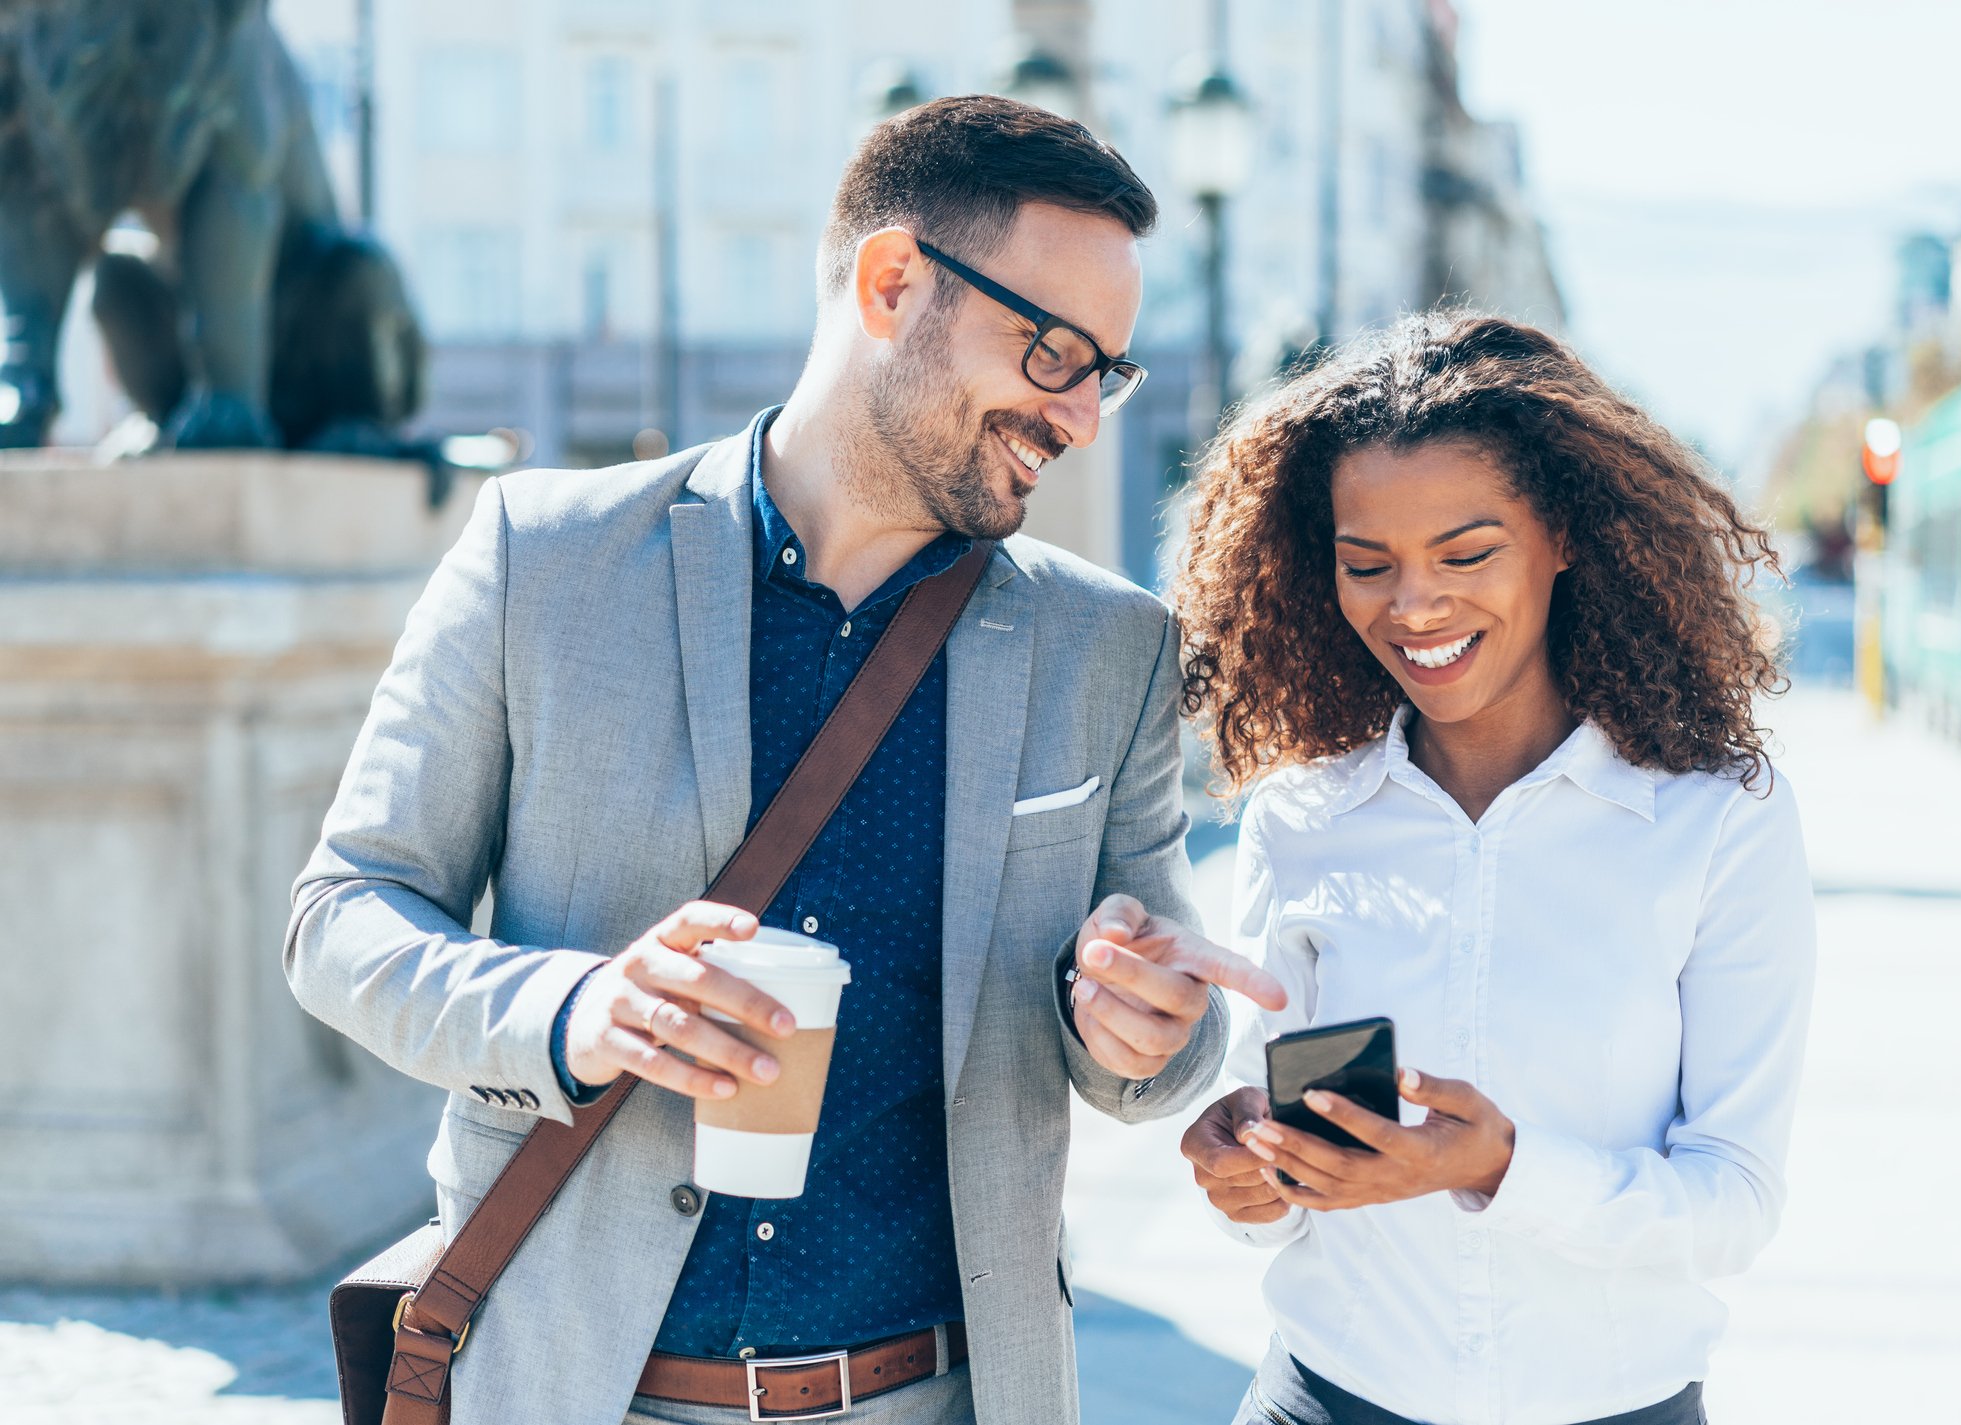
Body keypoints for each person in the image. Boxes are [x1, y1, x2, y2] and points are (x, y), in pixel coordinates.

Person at [286, 95, 1284, 1425]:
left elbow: (1157, 1033)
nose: (1084, 416)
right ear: (890, 283)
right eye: (1052, 353)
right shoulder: (544, 553)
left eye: (1108, 370)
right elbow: (340, 917)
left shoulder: (1112, 646)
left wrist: (1143, 1025)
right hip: (572, 1388)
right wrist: (578, 1015)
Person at [1172, 313, 1816, 1425]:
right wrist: (1245, 1171)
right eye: (1366, 564)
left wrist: (1500, 1169)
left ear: (1561, 535)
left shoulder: (1714, 826)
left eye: (1466, 554)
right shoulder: (1301, 816)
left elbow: (1736, 1200)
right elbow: (1276, 1195)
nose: (1413, 606)